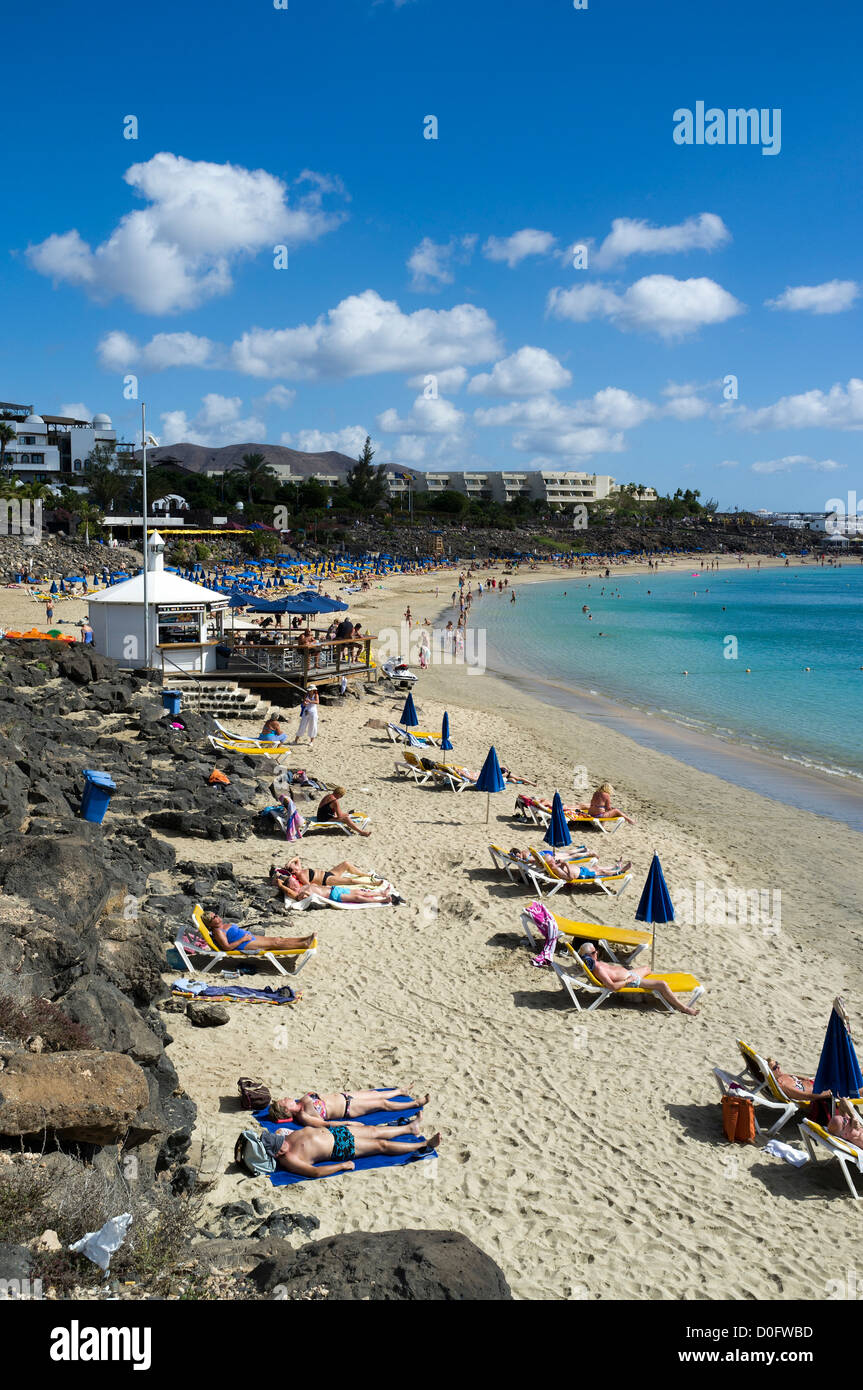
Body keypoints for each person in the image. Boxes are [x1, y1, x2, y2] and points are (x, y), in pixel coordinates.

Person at [270, 1120, 440, 1178]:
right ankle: (423, 1145)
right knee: (381, 1145)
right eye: (280, 1148)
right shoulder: (290, 1160)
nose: (283, 1144)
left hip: (335, 1132)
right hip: (339, 1146)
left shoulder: (280, 1136)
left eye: (280, 1142)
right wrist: (342, 1166)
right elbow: (315, 1172)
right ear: (277, 1154)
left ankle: (409, 1128)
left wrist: (343, 1124)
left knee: (374, 1130)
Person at [577, 942, 699, 1015]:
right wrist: (627, 981)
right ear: (589, 956)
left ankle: (652, 992)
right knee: (662, 984)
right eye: (594, 952)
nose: (597, 953)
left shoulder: (596, 964)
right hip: (631, 981)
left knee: (646, 968)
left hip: (630, 974)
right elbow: (612, 987)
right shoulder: (599, 969)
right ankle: (684, 1008)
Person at [270, 1087, 429, 1126]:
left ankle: (400, 1091)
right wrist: (350, 1124)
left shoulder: (301, 1100)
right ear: (286, 1110)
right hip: (348, 1109)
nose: (285, 1098)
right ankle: (415, 1103)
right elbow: (326, 1124)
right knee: (382, 1104)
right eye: (283, 1101)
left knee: (374, 1093)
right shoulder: (304, 1116)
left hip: (345, 1096)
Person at [201, 911, 314, 954]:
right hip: (244, 943)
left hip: (248, 938)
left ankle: (304, 939)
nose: (217, 917)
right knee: (274, 944)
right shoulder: (218, 932)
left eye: (215, 915)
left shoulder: (221, 926)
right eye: (213, 918)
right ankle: (303, 944)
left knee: (277, 939)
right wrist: (243, 939)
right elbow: (226, 947)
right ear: (210, 924)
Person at [547, 855, 631, 881]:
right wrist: (566, 864)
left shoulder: (554, 866)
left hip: (581, 870)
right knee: (601, 871)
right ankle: (620, 871)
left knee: (596, 867)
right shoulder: (556, 870)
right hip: (582, 875)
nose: (554, 859)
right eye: (552, 860)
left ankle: (615, 866)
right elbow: (570, 878)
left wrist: (561, 863)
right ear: (550, 864)